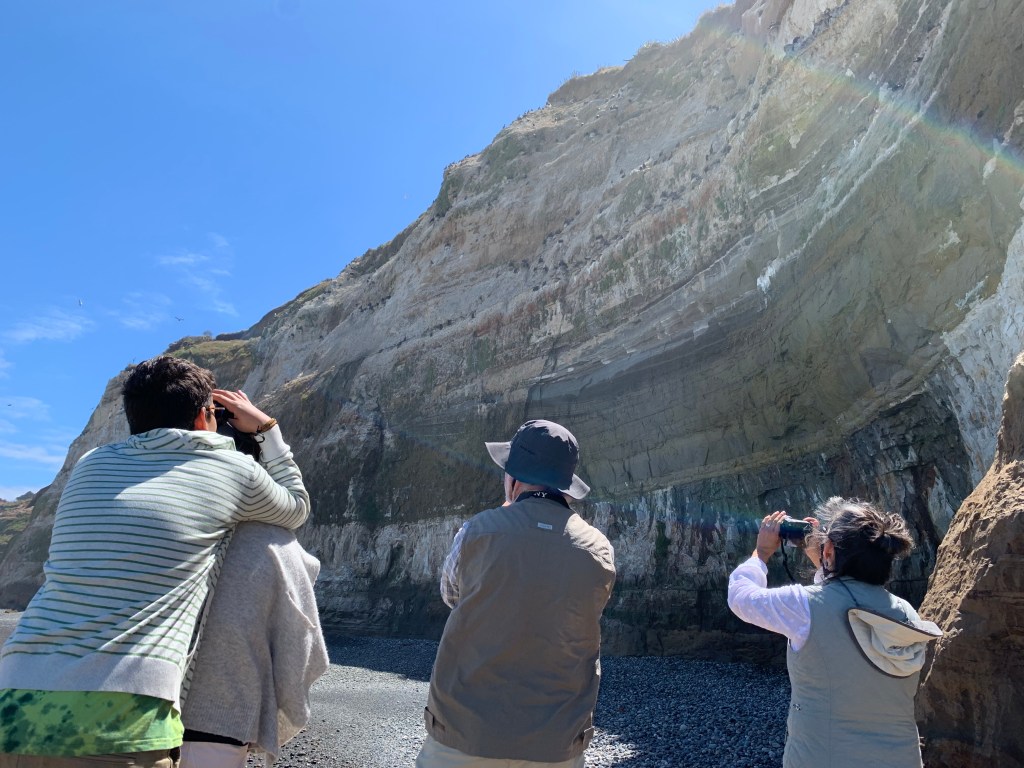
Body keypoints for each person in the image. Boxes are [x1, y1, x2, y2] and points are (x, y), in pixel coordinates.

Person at [0, 355, 309, 767]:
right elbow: (296, 507)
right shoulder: (232, 469)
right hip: (122, 718)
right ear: (203, 416)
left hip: (15, 698)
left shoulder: (90, 464)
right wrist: (267, 430)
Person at [417, 419, 616, 768]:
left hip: (465, 731)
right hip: (556, 742)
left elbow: (452, 596)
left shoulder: (476, 531)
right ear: (567, 487)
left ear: (514, 479)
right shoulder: (600, 550)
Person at [727, 498, 943, 768]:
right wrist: (826, 559)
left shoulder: (805, 607)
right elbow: (846, 599)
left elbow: (741, 598)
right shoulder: (906, 614)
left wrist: (760, 554)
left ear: (829, 549)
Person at [179, 522, 329, 768]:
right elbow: (299, 650)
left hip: (138, 710)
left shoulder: (172, 525)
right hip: (227, 717)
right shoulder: (275, 543)